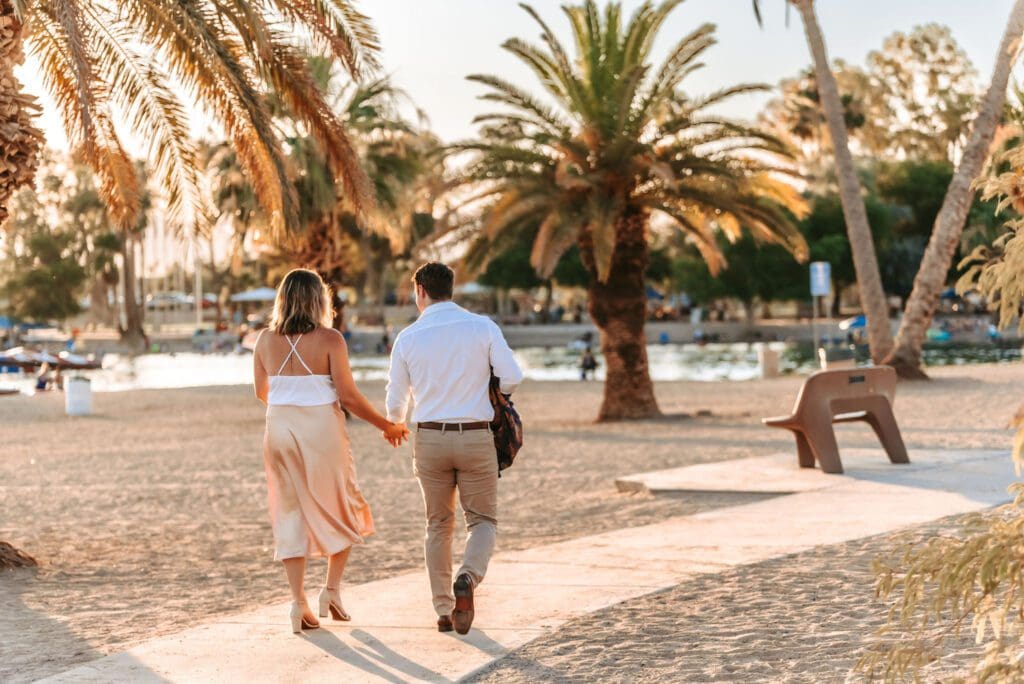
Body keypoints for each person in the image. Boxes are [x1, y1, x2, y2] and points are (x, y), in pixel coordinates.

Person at [253, 268, 409, 635]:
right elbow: (349, 397)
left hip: (277, 428)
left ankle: (298, 603)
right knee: (344, 504)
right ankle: (331, 591)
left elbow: (262, 392)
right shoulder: (331, 340)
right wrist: (387, 425)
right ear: (318, 299)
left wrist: (291, 404)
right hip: (321, 429)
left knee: (289, 513)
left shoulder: (263, 340)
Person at [385, 262, 524, 635]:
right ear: (451, 289)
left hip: (429, 437)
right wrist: (494, 392)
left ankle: (444, 610)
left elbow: (395, 402)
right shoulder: (482, 327)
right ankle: (468, 577)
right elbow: (512, 376)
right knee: (482, 520)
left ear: (420, 292)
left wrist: (397, 422)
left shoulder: (408, 337)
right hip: (476, 436)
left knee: (438, 524)